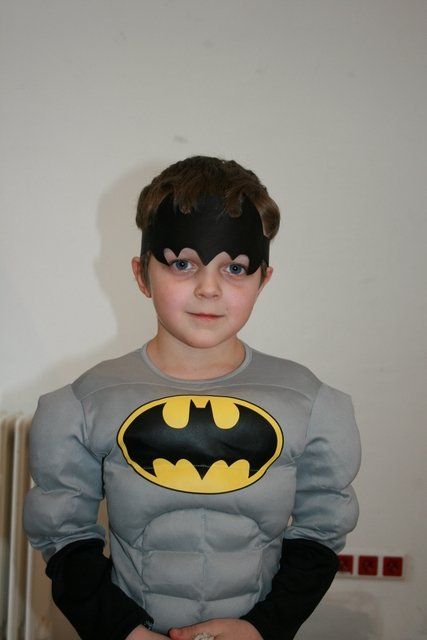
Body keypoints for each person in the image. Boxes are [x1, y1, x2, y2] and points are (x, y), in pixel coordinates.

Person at [24, 156, 361, 640]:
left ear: (263, 279)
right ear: (142, 274)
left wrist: (263, 628)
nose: (209, 289)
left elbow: (320, 531)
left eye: (236, 268)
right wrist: (124, 633)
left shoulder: (309, 404)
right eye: (182, 264)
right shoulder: (84, 404)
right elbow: (65, 537)